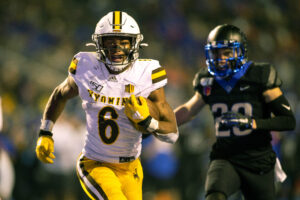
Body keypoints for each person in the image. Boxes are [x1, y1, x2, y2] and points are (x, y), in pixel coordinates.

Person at [35, 11, 178, 200]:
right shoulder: (86, 65)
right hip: (95, 163)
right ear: (99, 44)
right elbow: (60, 94)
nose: (117, 48)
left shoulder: (147, 73)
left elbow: (172, 134)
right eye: (110, 42)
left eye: (124, 42)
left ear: (134, 43)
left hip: (131, 168)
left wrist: (148, 122)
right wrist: (45, 132)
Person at [174, 24, 296, 200]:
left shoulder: (259, 75)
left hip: (258, 160)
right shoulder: (208, 80)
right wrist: (156, 124)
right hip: (225, 158)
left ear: (240, 52)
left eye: (226, 53)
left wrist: (252, 123)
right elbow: (188, 110)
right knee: (214, 196)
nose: (220, 58)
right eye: (216, 53)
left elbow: (288, 120)